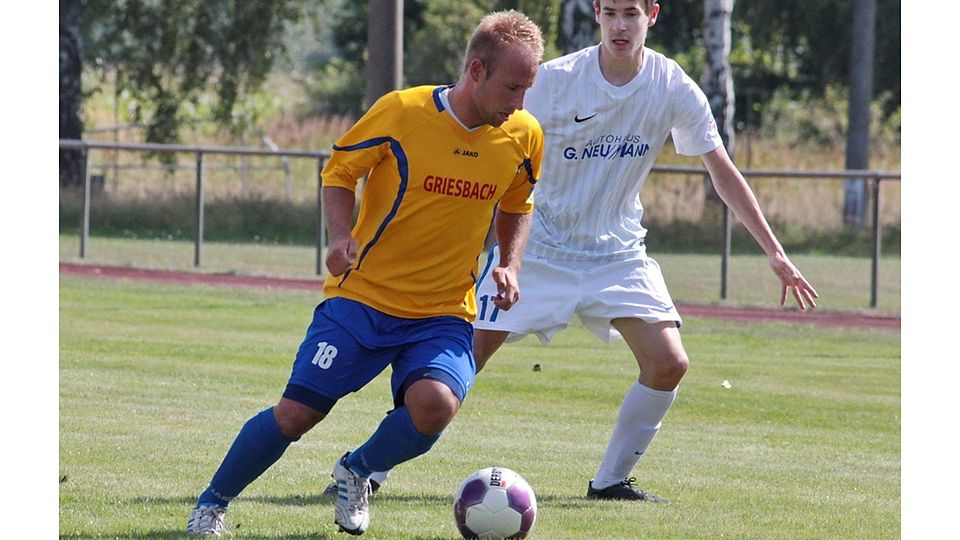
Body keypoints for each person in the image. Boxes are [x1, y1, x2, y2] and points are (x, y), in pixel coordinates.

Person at [340, 0, 819, 503]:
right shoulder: (554, 81)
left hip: (618, 254)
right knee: (457, 365)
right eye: (610, 12)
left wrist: (775, 253)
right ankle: (368, 469)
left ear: (652, 15)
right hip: (538, 252)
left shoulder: (672, 85)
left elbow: (721, 170)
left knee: (669, 363)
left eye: (630, 13)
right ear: (596, 13)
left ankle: (610, 482)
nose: (619, 24)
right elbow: (486, 131)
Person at [186, 10, 545, 536]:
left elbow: (519, 202)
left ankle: (357, 470)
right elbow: (340, 171)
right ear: (476, 71)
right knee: (296, 416)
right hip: (362, 300)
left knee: (435, 406)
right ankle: (211, 505)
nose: (520, 103)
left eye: (527, 90)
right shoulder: (402, 112)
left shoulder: (523, 135)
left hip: (443, 311)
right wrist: (339, 236)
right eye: (513, 87)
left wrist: (509, 263)